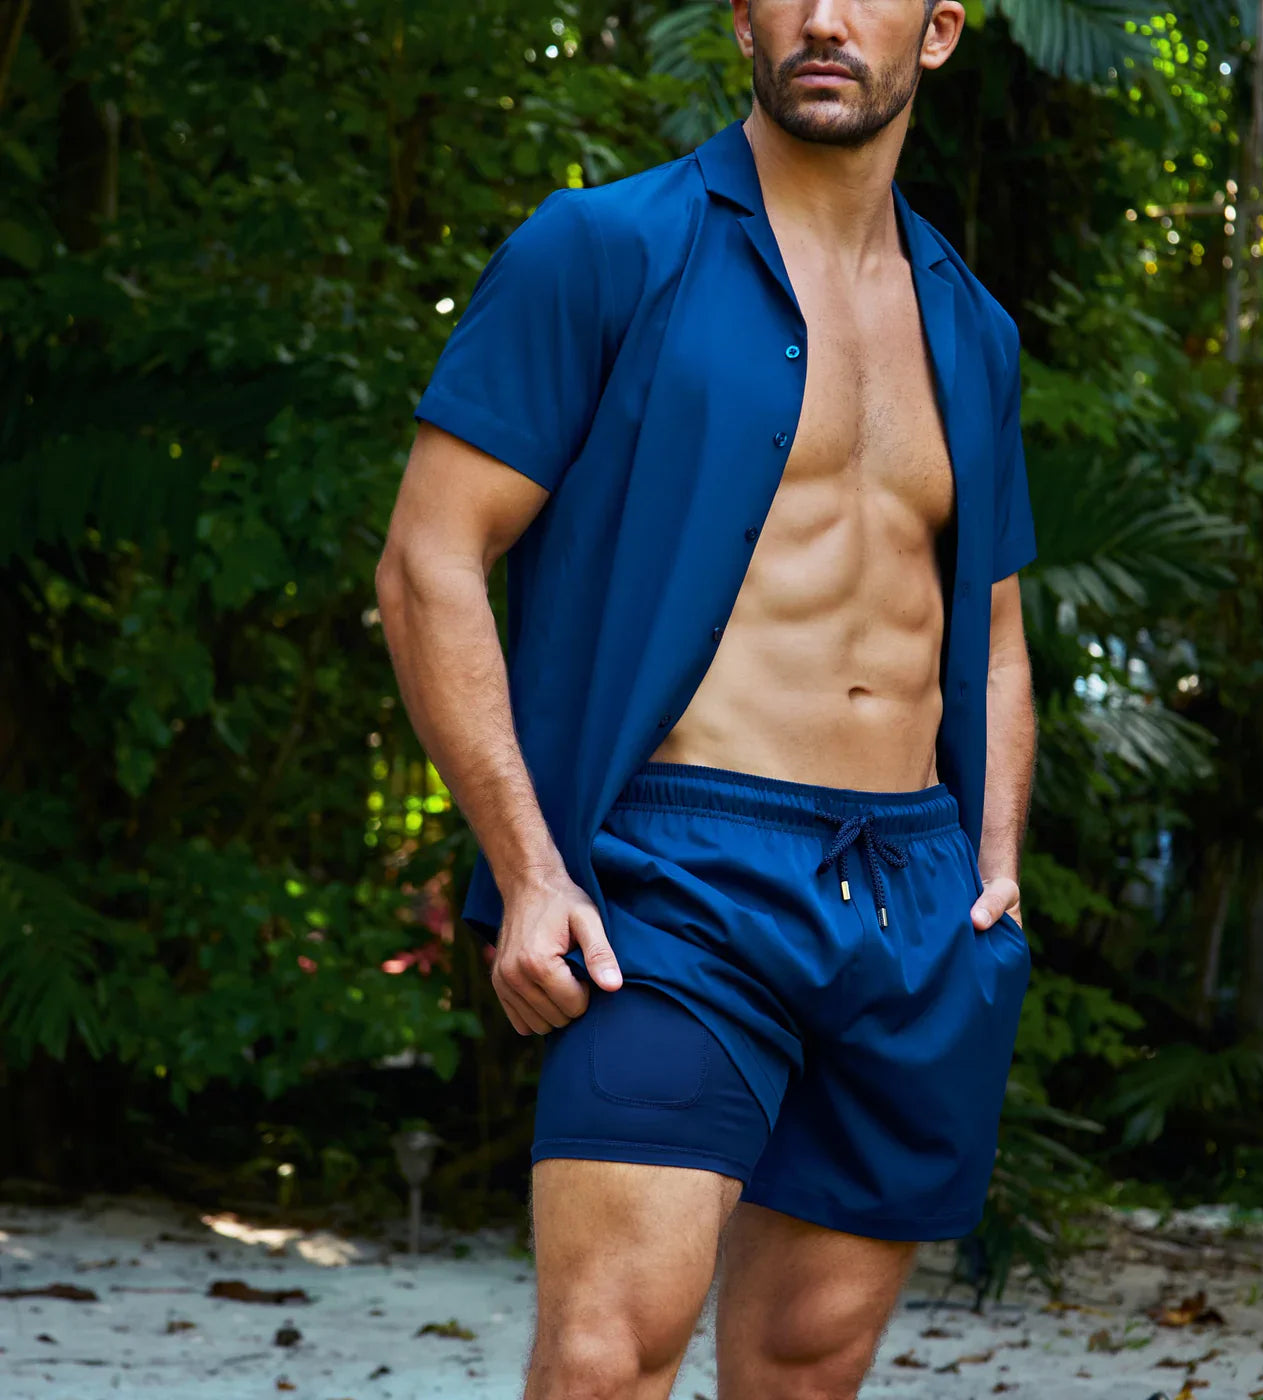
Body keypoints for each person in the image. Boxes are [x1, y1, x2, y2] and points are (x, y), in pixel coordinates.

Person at [375, 0, 1038, 1394]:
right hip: (677, 877)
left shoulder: (971, 326)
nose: (824, 16)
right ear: (742, 20)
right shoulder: (606, 250)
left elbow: (987, 628)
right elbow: (429, 555)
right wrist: (531, 867)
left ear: (939, 32)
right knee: (613, 1348)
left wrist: (997, 867)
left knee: (808, 1358)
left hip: (913, 898)